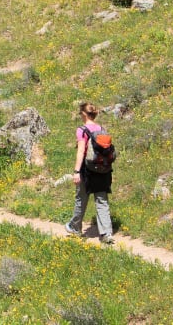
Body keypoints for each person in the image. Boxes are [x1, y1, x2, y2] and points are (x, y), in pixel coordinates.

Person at [65, 102, 114, 243]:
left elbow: (81, 151)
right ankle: (106, 234)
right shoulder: (102, 129)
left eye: (81, 113)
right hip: (103, 170)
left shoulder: (82, 130)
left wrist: (76, 171)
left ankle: (75, 227)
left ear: (84, 114)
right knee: (102, 200)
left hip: (87, 170)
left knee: (81, 199)